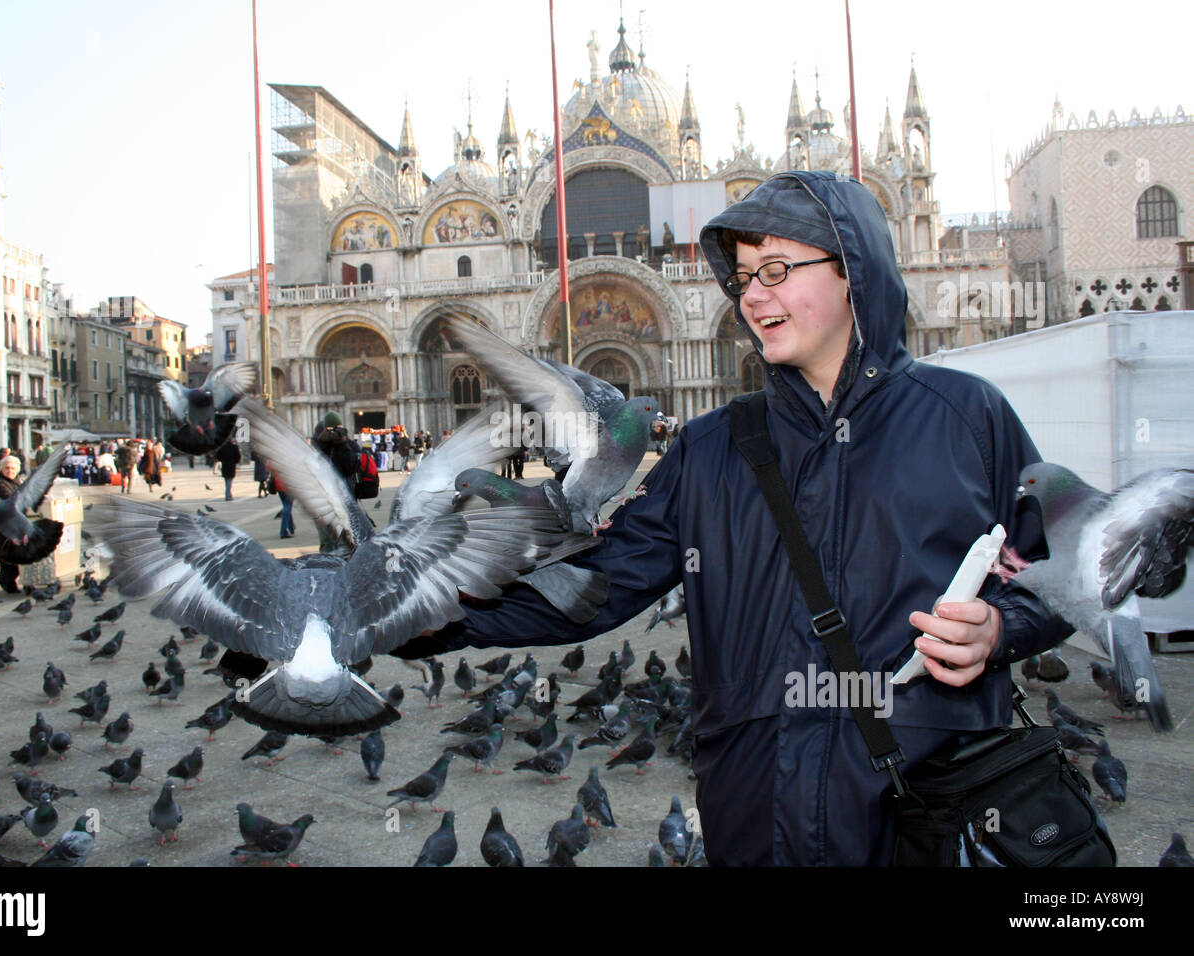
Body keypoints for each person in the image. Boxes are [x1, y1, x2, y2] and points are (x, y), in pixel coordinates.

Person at [400, 170, 1068, 866]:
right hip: (756, 819)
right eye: (744, 276)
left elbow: (1057, 573)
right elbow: (594, 589)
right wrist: (404, 614)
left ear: (852, 271)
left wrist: (1001, 627)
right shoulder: (714, 446)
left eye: (776, 269)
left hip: (927, 815)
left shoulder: (966, 417)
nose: (753, 294)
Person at [0, 455, 23, 593]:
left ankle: (10, 579)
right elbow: (9, 498)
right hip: (4, 527)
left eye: (12, 468)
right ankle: (6, 580)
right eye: (6, 468)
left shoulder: (16, 481)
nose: (10, 470)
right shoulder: (0, 483)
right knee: (9, 554)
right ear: (1, 469)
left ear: (17, 469)